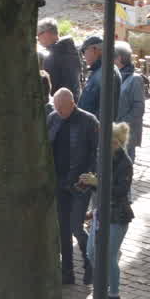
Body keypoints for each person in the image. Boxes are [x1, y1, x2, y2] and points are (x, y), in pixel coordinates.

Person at [48, 88, 99, 283]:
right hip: (59, 182)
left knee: (76, 227)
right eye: (56, 107)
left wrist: (89, 178)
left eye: (62, 107)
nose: (59, 111)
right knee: (63, 229)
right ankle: (67, 271)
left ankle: (90, 263)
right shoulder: (53, 119)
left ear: (72, 103)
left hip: (80, 184)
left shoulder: (89, 121)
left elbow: (96, 153)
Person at [83, 122, 135, 299]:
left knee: (108, 256)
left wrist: (98, 183)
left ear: (119, 143)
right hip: (100, 213)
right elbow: (100, 187)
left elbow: (120, 191)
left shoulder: (125, 163)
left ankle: (113, 295)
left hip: (117, 216)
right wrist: (89, 182)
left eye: (112, 143)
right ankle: (103, 284)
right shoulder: (102, 156)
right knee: (91, 253)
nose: (107, 146)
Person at [114, 41, 147, 162]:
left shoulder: (135, 79)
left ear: (119, 58)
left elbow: (138, 108)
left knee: (124, 165)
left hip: (126, 133)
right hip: (112, 131)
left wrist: (121, 124)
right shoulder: (112, 75)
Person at [38, 17, 83, 100]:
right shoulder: (71, 49)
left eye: (38, 35)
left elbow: (50, 86)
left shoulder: (53, 56)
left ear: (47, 33)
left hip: (60, 102)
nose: (38, 39)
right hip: (74, 99)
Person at [78, 36, 119, 119]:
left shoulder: (104, 72)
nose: (83, 56)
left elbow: (104, 109)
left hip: (94, 124)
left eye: (84, 51)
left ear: (94, 50)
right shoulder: (102, 70)